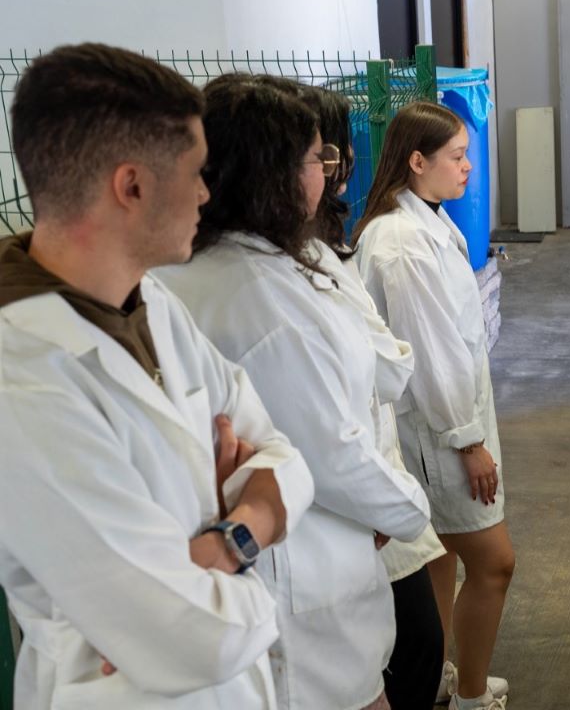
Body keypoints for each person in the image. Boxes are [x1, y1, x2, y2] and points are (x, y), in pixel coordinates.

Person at [0, 44, 314, 708]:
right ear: (132, 186)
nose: (206, 193)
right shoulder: (20, 380)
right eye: (195, 172)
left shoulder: (152, 304)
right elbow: (189, 638)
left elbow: (287, 460)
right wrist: (257, 533)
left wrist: (228, 541)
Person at [153, 75, 430, 710]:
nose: (328, 170)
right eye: (316, 157)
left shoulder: (265, 261)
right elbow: (332, 453)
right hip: (302, 580)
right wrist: (406, 510)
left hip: (314, 553)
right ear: (270, 173)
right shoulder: (260, 301)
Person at [354, 101, 515, 710]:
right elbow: (432, 355)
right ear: (417, 161)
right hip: (438, 431)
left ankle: (440, 682)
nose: (468, 167)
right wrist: (467, 441)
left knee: (440, 556)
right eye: (457, 156)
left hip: (441, 424)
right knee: (494, 563)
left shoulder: (424, 221)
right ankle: (472, 695)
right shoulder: (403, 244)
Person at [302, 82, 449, 709]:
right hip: (346, 511)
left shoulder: (323, 253)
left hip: (364, 503)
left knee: (407, 647)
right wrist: (393, 506)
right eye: (323, 155)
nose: (334, 168)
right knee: (408, 650)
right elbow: (389, 370)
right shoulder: (377, 244)